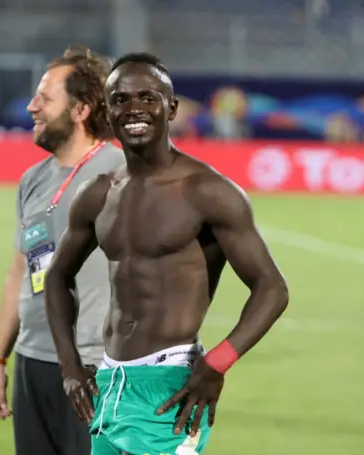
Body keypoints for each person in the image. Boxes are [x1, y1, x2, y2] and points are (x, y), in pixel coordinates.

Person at [44, 52, 290, 455]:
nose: (134, 109)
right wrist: (69, 366)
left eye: (148, 97)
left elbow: (272, 288)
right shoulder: (99, 194)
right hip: (110, 384)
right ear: (107, 111)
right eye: (121, 100)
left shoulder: (208, 192)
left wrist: (217, 364)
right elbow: (56, 276)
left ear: (171, 108)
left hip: (172, 389)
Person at [0, 46, 125, 455]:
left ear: (80, 110)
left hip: (94, 367)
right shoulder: (32, 180)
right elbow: (19, 273)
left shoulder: (122, 175)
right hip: (32, 361)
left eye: (45, 98)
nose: (31, 107)